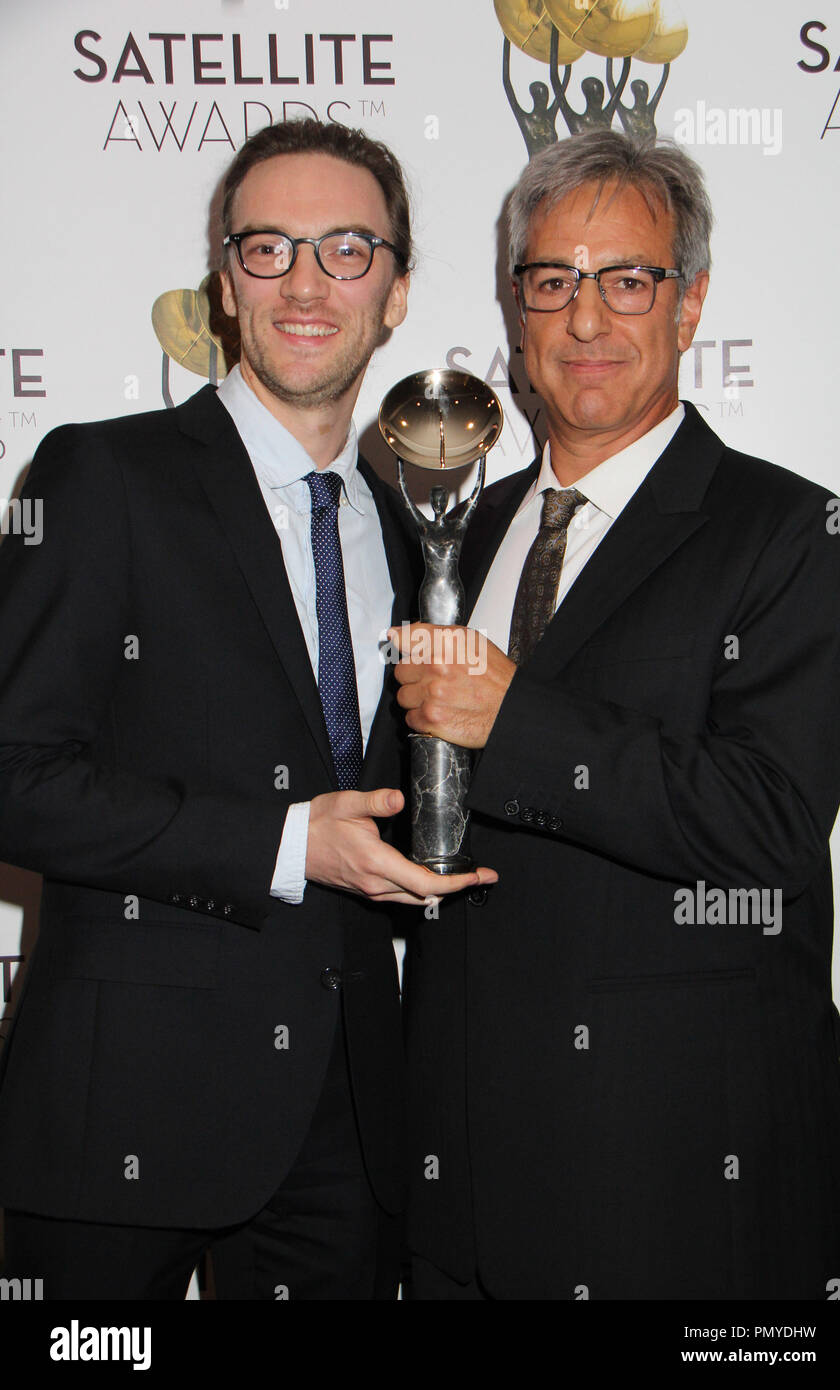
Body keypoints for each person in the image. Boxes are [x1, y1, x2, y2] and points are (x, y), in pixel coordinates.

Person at [0, 118, 494, 1301]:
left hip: (348, 1128)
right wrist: (284, 844)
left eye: (345, 249)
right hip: (119, 1114)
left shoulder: (416, 524)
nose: (306, 283)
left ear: (397, 290)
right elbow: (14, 773)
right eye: (268, 249)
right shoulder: (102, 475)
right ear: (224, 284)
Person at [393, 130, 840, 1299]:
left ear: (688, 301)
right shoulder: (460, 524)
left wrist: (517, 718)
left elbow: (765, 826)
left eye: (626, 280)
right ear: (515, 309)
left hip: (681, 1177)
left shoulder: (790, 530)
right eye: (552, 281)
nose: (585, 320)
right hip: (464, 1168)